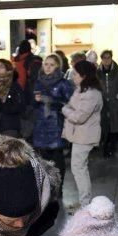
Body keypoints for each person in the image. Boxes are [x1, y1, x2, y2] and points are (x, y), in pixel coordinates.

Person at [62, 60, 103, 210]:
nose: (73, 76)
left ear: (84, 75)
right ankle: (84, 201)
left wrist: (65, 110)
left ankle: (85, 204)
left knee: (79, 169)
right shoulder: (83, 89)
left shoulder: (91, 93)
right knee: (79, 168)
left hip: (85, 136)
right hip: (80, 135)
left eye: (75, 74)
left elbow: (79, 116)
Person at [32, 54, 72, 191]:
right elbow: (31, 104)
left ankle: (58, 188)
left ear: (57, 67)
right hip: (41, 125)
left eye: (51, 64)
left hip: (56, 125)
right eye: (46, 64)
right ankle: (46, 187)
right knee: (43, 159)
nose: (48, 67)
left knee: (57, 158)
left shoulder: (63, 83)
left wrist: (51, 101)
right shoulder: (38, 81)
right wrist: (35, 101)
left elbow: (70, 103)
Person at [96, 50, 118, 158]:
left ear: (111, 58)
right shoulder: (97, 72)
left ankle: (112, 148)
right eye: (104, 58)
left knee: (114, 127)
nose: (106, 60)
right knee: (104, 127)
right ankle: (105, 149)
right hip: (102, 104)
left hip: (115, 103)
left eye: (108, 57)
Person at [0, 59, 24, 137]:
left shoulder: (14, 86)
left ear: (8, 69)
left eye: (1, 67)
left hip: (9, 125)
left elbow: (20, 106)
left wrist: (1, 104)